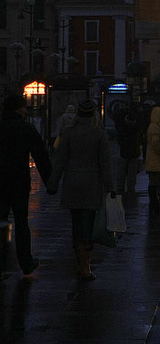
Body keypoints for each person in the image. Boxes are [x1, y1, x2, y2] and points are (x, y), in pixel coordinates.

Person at [48, 99, 114, 282]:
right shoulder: (99, 134)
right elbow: (105, 163)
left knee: (76, 223)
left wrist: (53, 183)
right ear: (94, 114)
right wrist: (111, 187)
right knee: (88, 224)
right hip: (92, 183)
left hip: (72, 183)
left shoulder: (69, 133)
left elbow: (60, 160)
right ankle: (86, 267)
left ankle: (80, 262)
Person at [0, 94, 54, 280]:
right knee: (21, 223)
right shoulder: (26, 128)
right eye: (23, 107)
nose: (25, 110)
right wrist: (50, 183)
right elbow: (41, 156)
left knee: (1, 221)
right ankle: (26, 262)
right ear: (18, 109)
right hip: (19, 182)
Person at [113, 102, 144, 198]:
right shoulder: (137, 126)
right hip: (134, 151)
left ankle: (120, 187)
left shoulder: (122, 127)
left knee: (121, 171)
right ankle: (131, 188)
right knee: (132, 172)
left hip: (124, 150)